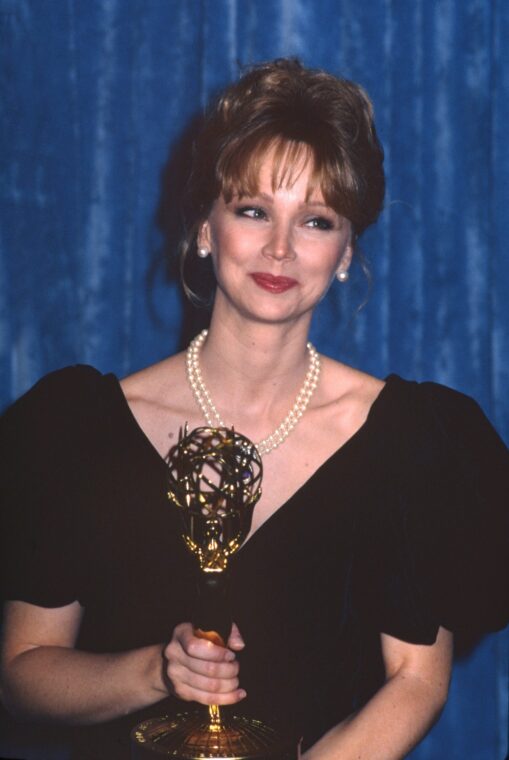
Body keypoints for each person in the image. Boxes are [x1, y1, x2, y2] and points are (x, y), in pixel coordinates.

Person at [1, 58, 508, 760]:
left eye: (315, 220)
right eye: (252, 210)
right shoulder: (75, 425)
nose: (279, 247)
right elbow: (22, 672)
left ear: (343, 252)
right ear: (204, 228)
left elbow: (416, 681)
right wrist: (155, 670)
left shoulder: (413, 440)